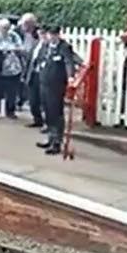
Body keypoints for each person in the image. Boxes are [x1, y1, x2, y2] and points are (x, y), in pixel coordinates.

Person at [35, 25, 83, 156]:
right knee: (47, 111)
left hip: (56, 84)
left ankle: (57, 142)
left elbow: (69, 62)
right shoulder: (46, 46)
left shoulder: (64, 47)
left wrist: (70, 77)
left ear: (58, 35)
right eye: (49, 34)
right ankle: (50, 138)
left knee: (56, 112)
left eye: (54, 34)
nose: (51, 37)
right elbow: (40, 59)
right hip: (44, 82)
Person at [0, 18, 23, 119]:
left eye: (7, 27)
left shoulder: (14, 36)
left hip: (12, 69)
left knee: (12, 92)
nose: (5, 29)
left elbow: (21, 48)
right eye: (3, 27)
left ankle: (10, 111)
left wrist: (13, 50)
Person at [17, 13, 42, 121]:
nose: (25, 26)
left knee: (34, 92)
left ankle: (39, 116)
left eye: (27, 24)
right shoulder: (18, 32)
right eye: (24, 24)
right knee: (22, 83)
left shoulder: (38, 34)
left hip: (33, 65)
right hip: (21, 60)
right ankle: (20, 101)